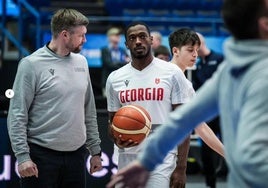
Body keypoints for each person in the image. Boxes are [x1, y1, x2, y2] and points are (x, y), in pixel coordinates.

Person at [106, 0, 268, 187]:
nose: (195, 55)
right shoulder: (244, 74)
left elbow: (182, 122)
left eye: (197, 50)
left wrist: (148, 161)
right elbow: (189, 124)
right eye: (191, 50)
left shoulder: (226, 72)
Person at [105, 21, 224, 188]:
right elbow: (112, 123)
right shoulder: (115, 78)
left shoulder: (172, 74)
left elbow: (190, 125)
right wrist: (117, 136)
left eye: (142, 36)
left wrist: (181, 167)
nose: (138, 41)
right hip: (127, 158)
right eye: (133, 38)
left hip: (162, 158)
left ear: (151, 40)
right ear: (126, 43)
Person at [7, 8, 102, 188]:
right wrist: (22, 156)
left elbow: (88, 109)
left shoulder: (82, 62)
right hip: (40, 158)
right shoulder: (30, 64)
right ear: (65, 35)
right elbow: (17, 114)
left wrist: (95, 150)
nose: (85, 40)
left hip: (76, 156)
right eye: (81, 35)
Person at [192, 32, 226, 188]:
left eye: (194, 46)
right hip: (208, 114)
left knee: (229, 147)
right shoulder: (199, 64)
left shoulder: (220, 59)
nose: (192, 51)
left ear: (200, 44)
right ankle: (210, 184)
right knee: (207, 150)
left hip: (224, 113)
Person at [101, 27, 130, 96]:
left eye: (119, 35)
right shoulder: (105, 50)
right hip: (108, 81)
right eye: (116, 35)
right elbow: (109, 64)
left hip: (121, 81)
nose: (118, 37)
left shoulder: (122, 50)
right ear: (110, 37)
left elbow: (128, 64)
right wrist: (123, 62)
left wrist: (116, 62)